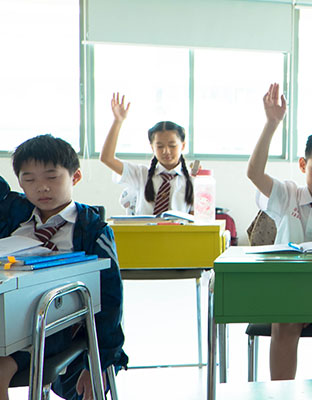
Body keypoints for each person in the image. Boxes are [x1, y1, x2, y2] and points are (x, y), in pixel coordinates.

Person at [0, 135, 128, 400]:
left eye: (52, 177)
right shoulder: (14, 214)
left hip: (56, 328)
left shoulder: (91, 229)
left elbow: (110, 297)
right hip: (7, 323)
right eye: (29, 179)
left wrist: (100, 360)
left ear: (75, 176)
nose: (42, 187)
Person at [246, 82, 312, 380]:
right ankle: (281, 391)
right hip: (288, 285)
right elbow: (254, 173)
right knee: (285, 324)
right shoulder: (288, 195)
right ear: (304, 164)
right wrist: (271, 124)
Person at [99, 93, 195, 215]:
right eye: (160, 146)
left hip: (179, 228)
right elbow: (106, 158)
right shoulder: (140, 174)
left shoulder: (193, 180)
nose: (166, 151)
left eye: (172, 145)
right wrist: (117, 121)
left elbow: (196, 219)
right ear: (152, 147)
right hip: (143, 228)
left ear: (183, 146)